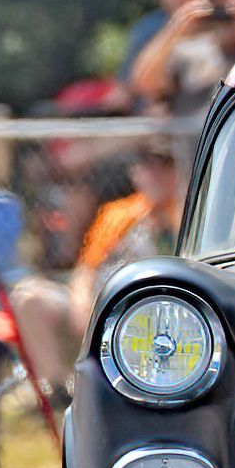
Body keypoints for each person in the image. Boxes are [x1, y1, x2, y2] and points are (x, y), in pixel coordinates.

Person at [69, 139, 182, 336]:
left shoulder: (188, 216)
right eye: (148, 168)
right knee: (32, 297)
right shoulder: (118, 214)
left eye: (164, 168)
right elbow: (87, 268)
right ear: (135, 174)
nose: (155, 177)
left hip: (158, 306)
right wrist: (81, 303)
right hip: (105, 300)